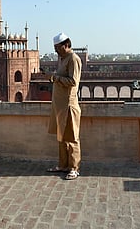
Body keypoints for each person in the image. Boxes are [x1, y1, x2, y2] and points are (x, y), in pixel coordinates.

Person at [44, 33, 82, 180]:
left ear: (66, 45)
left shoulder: (74, 59)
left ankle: (74, 168)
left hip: (69, 105)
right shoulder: (63, 59)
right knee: (62, 137)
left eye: (57, 48)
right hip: (59, 106)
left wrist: (54, 78)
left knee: (72, 137)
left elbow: (73, 81)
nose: (56, 51)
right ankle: (63, 165)